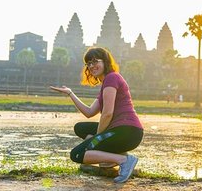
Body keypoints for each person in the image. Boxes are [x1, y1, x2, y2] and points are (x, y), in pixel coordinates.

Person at [50, 47, 143, 183]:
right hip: (122, 131)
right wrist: (70, 93)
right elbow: (89, 112)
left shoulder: (112, 78)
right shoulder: (106, 83)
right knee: (81, 128)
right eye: (89, 63)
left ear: (105, 61)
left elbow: (107, 114)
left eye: (95, 61)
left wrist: (97, 139)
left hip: (127, 131)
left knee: (76, 154)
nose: (92, 66)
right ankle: (113, 156)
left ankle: (124, 160)